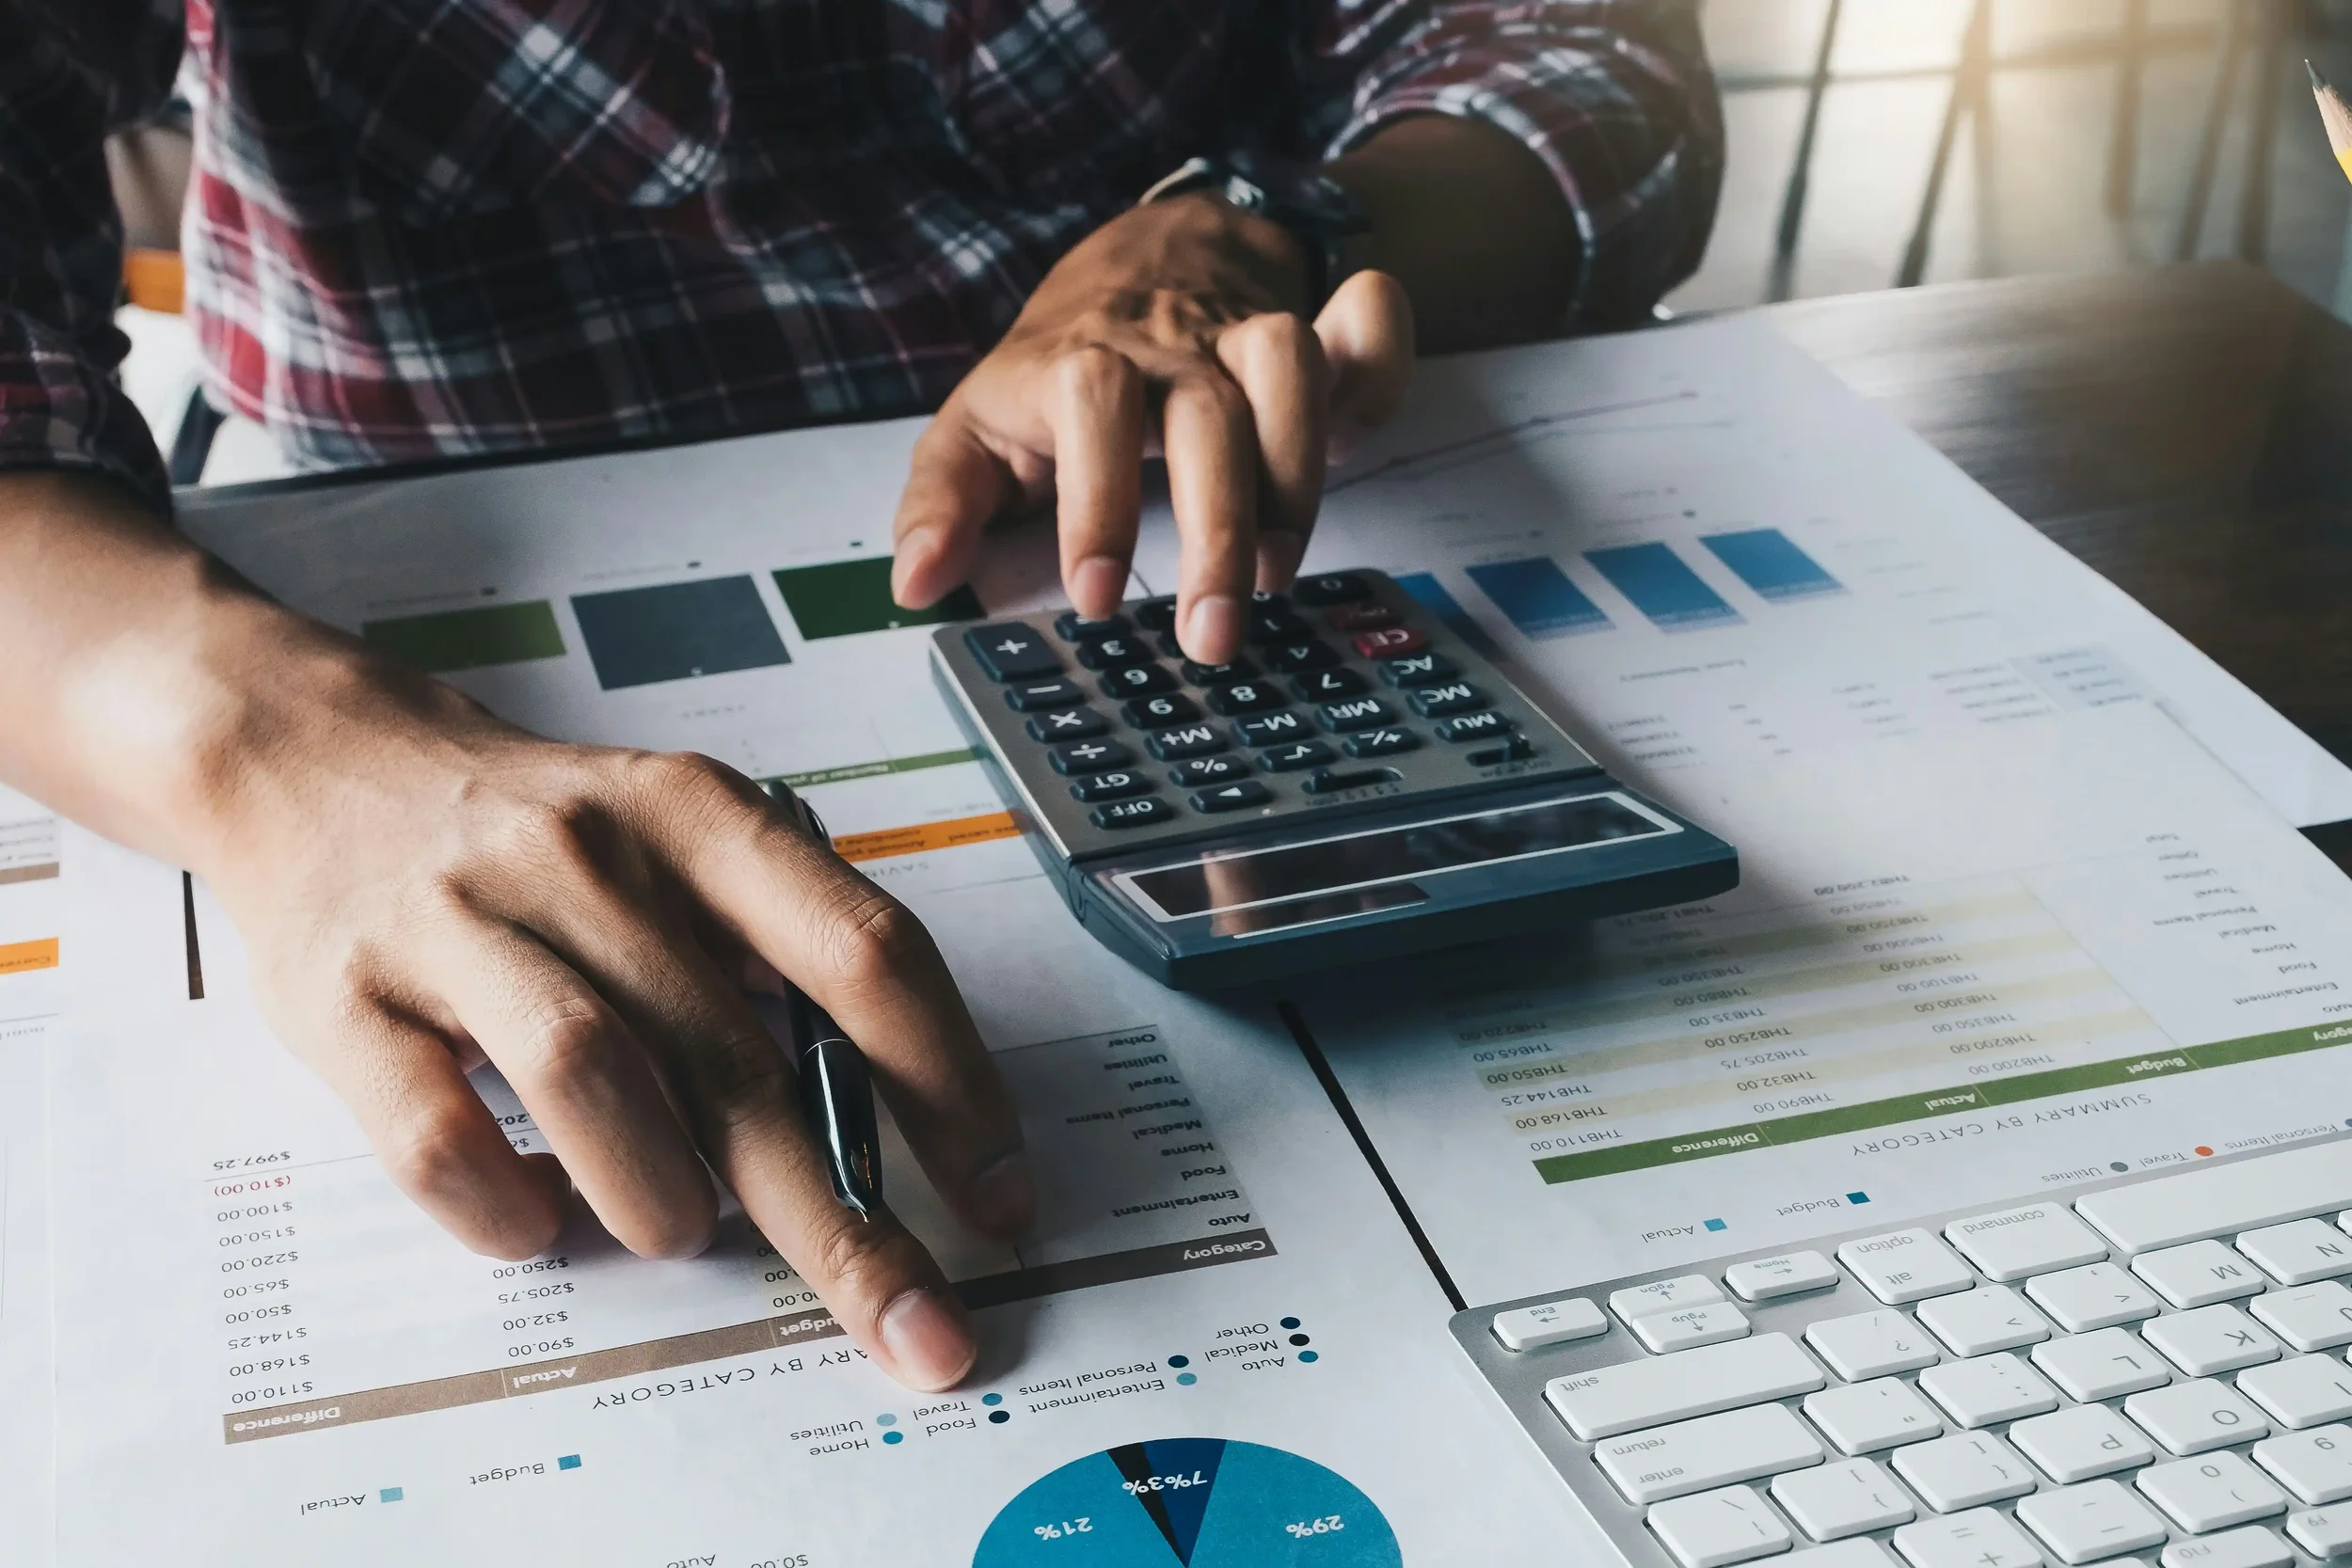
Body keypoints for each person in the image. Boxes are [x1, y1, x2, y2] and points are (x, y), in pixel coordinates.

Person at [0, 0, 1721, 1392]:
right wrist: (262, 744)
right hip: (403, 537)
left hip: (1190, 512)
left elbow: (1596, 58)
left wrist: (1252, 222)